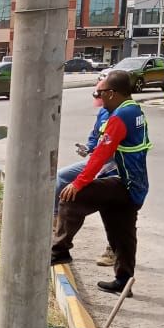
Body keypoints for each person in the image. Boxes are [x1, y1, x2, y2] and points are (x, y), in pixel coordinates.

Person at [52, 70, 151, 296]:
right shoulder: (135, 111)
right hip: (136, 185)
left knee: (71, 196)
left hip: (123, 182)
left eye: (101, 92)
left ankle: (59, 251)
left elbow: (101, 155)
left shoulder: (119, 117)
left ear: (112, 93)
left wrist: (78, 183)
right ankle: (123, 281)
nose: (99, 97)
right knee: (122, 234)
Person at [54, 78, 118, 267]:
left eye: (102, 98)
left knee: (111, 208)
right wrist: (89, 147)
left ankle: (114, 248)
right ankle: (56, 225)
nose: (101, 103)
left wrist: (79, 183)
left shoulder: (123, 117)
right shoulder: (104, 112)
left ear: (112, 95)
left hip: (114, 165)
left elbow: (108, 151)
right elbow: (95, 136)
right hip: (97, 160)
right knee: (62, 178)